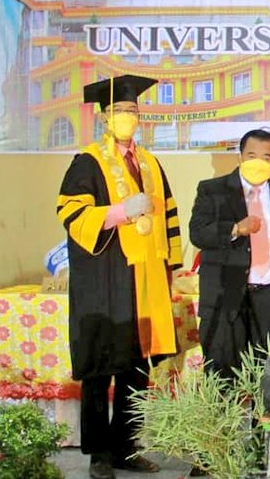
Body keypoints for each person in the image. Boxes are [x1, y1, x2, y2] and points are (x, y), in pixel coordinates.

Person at [56, 74, 181, 479]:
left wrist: (171, 267)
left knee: (136, 368)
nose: (127, 116)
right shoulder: (88, 161)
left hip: (145, 279)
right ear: (104, 117)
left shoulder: (150, 162)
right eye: (119, 110)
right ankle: (99, 455)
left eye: (132, 110)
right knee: (100, 368)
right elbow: (70, 212)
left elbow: (169, 215)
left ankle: (126, 448)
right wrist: (119, 213)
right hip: (105, 278)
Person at [189, 129, 270, 377]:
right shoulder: (213, 189)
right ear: (240, 156)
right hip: (225, 295)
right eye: (251, 155)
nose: (258, 162)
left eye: (266, 157)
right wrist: (234, 229)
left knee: (268, 374)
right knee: (222, 375)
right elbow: (198, 233)